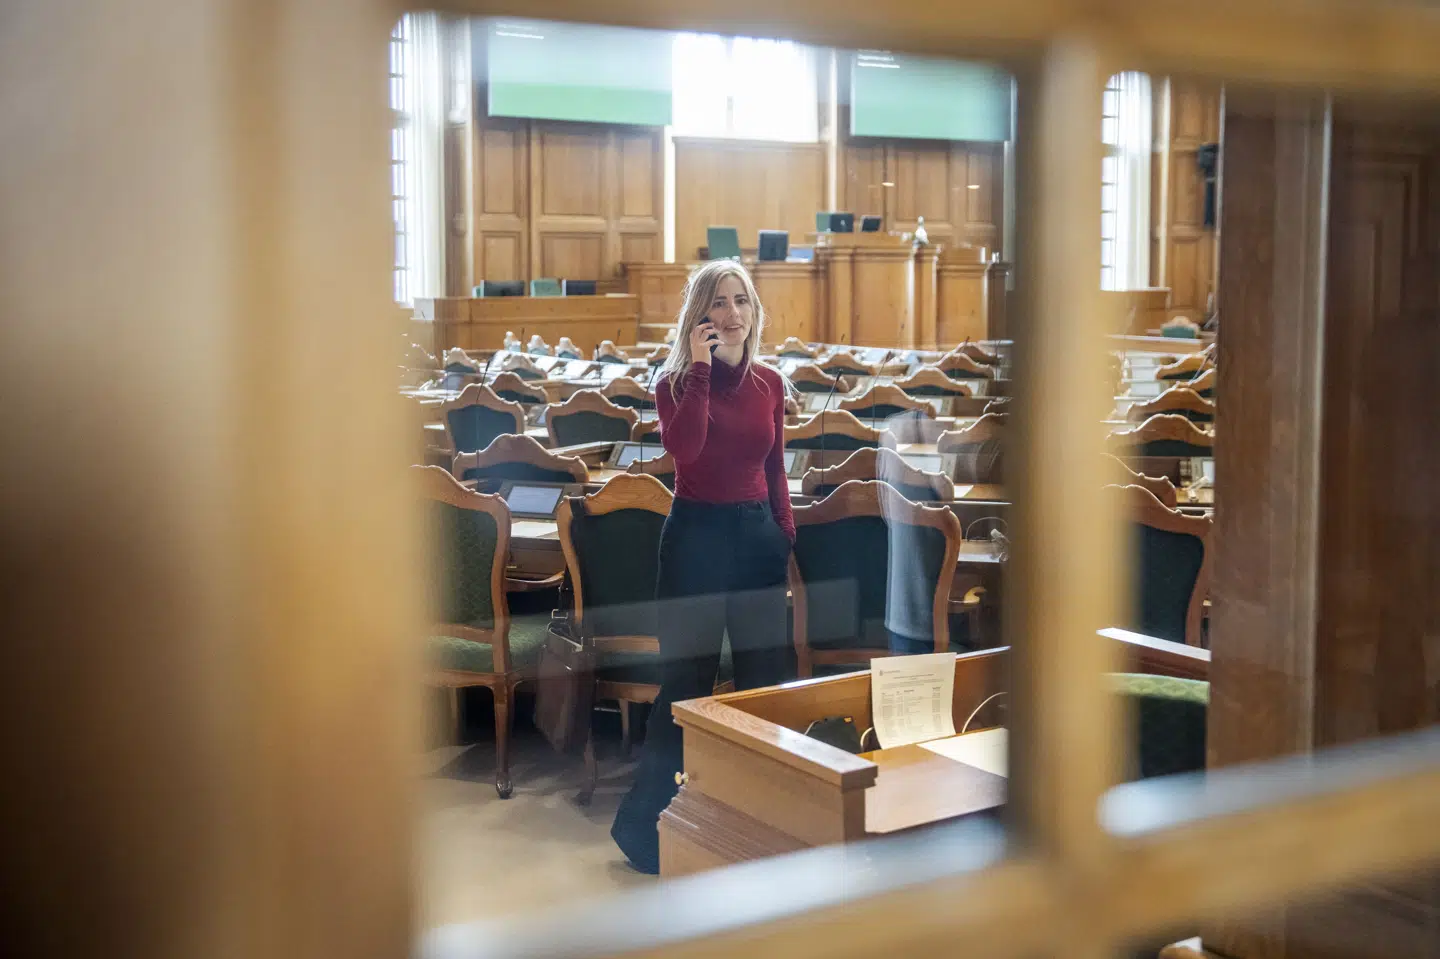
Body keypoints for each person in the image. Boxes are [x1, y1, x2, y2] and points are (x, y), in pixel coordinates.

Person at [610, 260, 795, 874]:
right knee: (685, 686)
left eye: (741, 301)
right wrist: (698, 370)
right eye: (718, 303)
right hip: (694, 540)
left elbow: (775, 471)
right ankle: (647, 831)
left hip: (756, 538)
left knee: (765, 684)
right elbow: (684, 449)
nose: (732, 313)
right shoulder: (674, 383)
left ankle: (768, 824)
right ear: (700, 316)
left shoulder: (770, 382)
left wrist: (782, 535)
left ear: (753, 311)